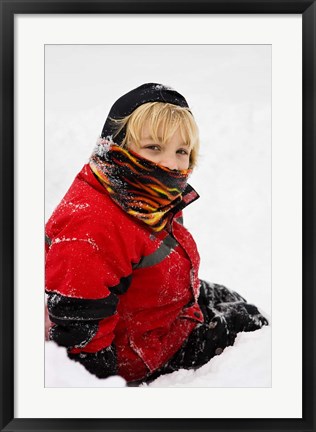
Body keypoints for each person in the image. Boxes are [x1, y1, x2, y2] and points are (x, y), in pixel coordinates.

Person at [45, 83, 268, 385]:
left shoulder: (144, 193)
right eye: (154, 147)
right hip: (139, 352)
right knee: (251, 322)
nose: (171, 164)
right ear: (118, 145)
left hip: (160, 308)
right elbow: (79, 335)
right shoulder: (93, 224)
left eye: (181, 152)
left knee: (234, 301)